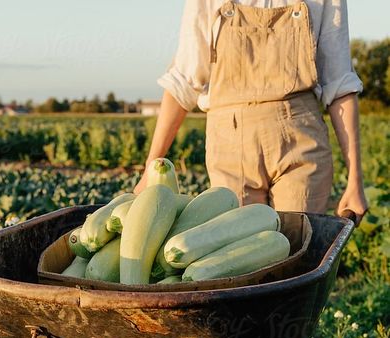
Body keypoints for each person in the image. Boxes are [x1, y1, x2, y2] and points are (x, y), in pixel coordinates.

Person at [135, 0, 368, 225]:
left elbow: (339, 83)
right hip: (230, 148)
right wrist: (151, 170)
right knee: (239, 257)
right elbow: (183, 81)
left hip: (301, 143)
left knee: (297, 253)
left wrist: (355, 181)